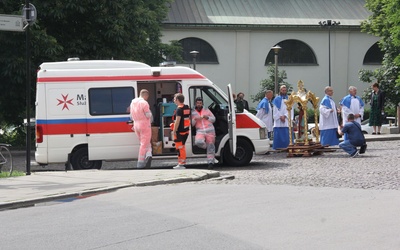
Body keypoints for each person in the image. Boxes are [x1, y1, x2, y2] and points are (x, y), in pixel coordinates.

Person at [130, 89, 153, 168]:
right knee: (144, 144)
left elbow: (131, 115)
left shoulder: (133, 103)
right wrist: (150, 114)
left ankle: (149, 154)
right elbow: (148, 115)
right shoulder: (144, 103)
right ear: (145, 95)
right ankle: (140, 162)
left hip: (136, 124)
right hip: (145, 125)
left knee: (144, 142)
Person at [191, 97, 216, 169]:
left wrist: (207, 117)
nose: (199, 104)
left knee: (211, 146)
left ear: (202, 104)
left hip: (210, 130)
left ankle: (210, 163)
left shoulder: (206, 110)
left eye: (200, 103)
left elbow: (213, 119)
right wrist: (195, 119)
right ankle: (206, 147)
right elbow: (191, 124)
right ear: (195, 103)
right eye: (198, 103)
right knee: (198, 142)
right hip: (200, 130)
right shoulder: (193, 112)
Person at [171, 93, 191, 169]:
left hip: (180, 131)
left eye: (174, 98)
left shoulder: (179, 109)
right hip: (186, 131)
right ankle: (182, 163)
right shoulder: (186, 108)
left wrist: (174, 130)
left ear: (177, 100)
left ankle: (181, 164)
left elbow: (178, 121)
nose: (174, 100)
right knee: (182, 147)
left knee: (179, 148)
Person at [272, 85, 293, 149]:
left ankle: (288, 146)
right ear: (280, 90)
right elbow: (275, 109)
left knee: (287, 133)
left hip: (286, 119)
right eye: (282, 90)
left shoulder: (289, 99)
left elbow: (291, 109)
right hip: (279, 120)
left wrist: (285, 116)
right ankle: (278, 146)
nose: (283, 91)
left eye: (285, 90)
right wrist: (280, 116)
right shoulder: (276, 99)